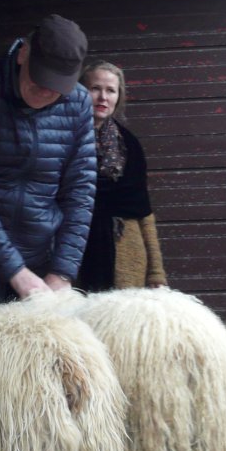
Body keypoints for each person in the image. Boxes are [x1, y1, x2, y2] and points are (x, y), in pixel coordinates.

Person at [0, 15, 95, 307]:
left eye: (58, 85)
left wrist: (62, 271)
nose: (47, 91)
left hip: (42, 257)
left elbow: (80, 191)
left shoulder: (78, 103)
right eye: (41, 79)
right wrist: (14, 270)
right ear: (23, 53)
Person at [76, 60, 167, 293]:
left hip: (127, 257)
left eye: (110, 90)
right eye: (95, 88)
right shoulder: (64, 139)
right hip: (76, 253)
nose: (102, 97)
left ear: (119, 97)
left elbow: (143, 211)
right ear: (80, 90)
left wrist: (156, 271)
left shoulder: (129, 145)